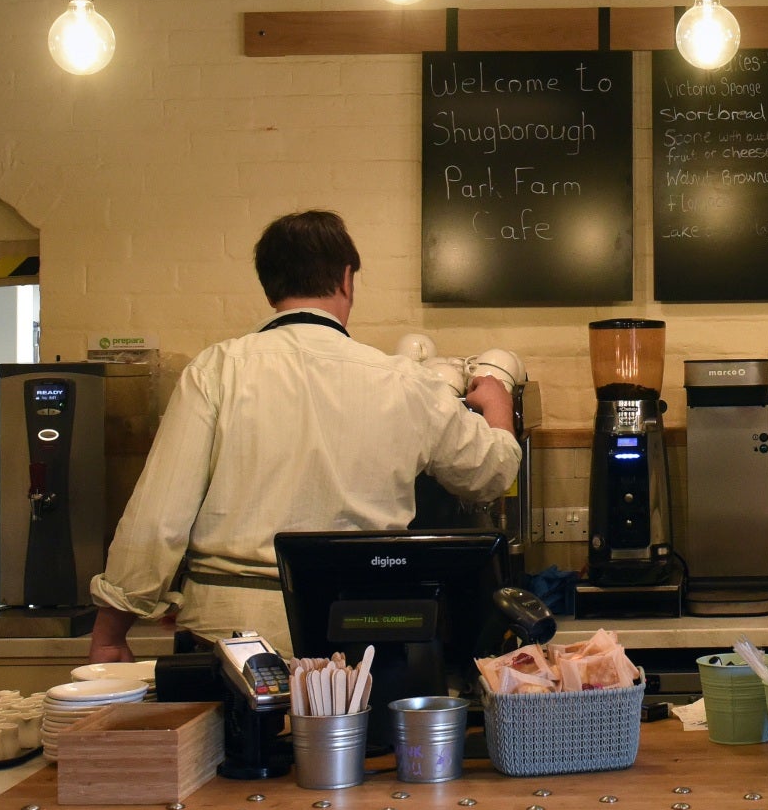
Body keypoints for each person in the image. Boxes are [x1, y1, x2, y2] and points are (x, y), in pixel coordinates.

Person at [86, 211, 520, 662]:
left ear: (270, 285)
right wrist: (498, 406)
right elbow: (488, 475)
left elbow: (157, 517)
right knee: (354, 736)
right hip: (360, 637)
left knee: (237, 736)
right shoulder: (406, 382)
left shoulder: (217, 369)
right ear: (346, 280)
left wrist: (111, 633)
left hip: (232, 641)